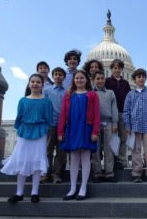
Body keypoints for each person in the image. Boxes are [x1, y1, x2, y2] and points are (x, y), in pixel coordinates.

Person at [1, 73, 53, 203]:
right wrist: (21, 129)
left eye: (38, 82)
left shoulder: (46, 101)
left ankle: (35, 192)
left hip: (40, 132)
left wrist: (43, 129)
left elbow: (49, 118)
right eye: (33, 81)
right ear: (29, 84)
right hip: (24, 132)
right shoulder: (23, 100)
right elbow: (19, 117)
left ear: (42, 85)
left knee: (37, 161)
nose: (35, 84)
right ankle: (19, 192)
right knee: (21, 161)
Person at [58, 70, 100, 201]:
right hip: (72, 128)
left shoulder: (92, 95)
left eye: (82, 78)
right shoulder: (68, 95)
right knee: (74, 159)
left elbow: (97, 114)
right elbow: (63, 114)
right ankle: (72, 188)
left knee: (86, 158)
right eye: (77, 78)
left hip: (86, 129)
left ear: (86, 80)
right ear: (73, 80)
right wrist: (61, 131)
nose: (79, 80)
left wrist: (95, 131)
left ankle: (83, 188)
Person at [123, 68, 147, 183]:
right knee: (135, 151)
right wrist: (127, 125)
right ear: (134, 79)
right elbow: (127, 110)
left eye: (143, 76)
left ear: (145, 78)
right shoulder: (130, 94)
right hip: (134, 126)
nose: (141, 78)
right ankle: (136, 173)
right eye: (138, 77)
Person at [91, 71, 118, 183]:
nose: (100, 80)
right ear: (94, 80)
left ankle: (109, 173)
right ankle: (97, 173)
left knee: (108, 149)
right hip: (94, 125)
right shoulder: (91, 93)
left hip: (108, 123)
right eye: (98, 78)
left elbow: (114, 108)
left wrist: (115, 123)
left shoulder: (110, 93)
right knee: (95, 150)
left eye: (102, 78)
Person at [41, 67, 67, 184]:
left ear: (64, 77)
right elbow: (44, 107)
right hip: (50, 124)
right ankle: (46, 173)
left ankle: (56, 174)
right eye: (56, 74)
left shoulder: (67, 92)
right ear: (53, 76)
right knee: (48, 150)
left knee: (61, 151)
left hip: (63, 125)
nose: (58, 76)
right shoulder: (47, 91)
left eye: (60, 75)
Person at [105, 59, 131, 169]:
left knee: (123, 138)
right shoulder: (107, 81)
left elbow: (130, 98)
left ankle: (122, 160)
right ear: (111, 69)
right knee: (111, 138)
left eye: (119, 68)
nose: (117, 70)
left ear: (122, 69)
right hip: (111, 114)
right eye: (115, 68)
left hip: (123, 113)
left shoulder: (126, 83)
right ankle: (113, 160)